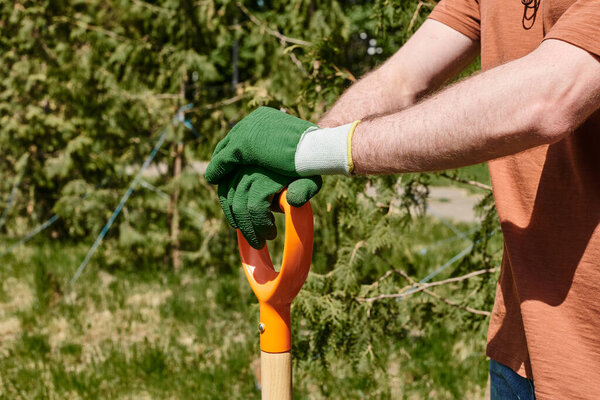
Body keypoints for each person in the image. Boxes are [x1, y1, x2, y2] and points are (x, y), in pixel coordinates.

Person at [206, 0, 600, 398]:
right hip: (522, 347)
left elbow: (551, 96)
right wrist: (304, 151)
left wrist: (313, 150)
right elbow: (402, 80)